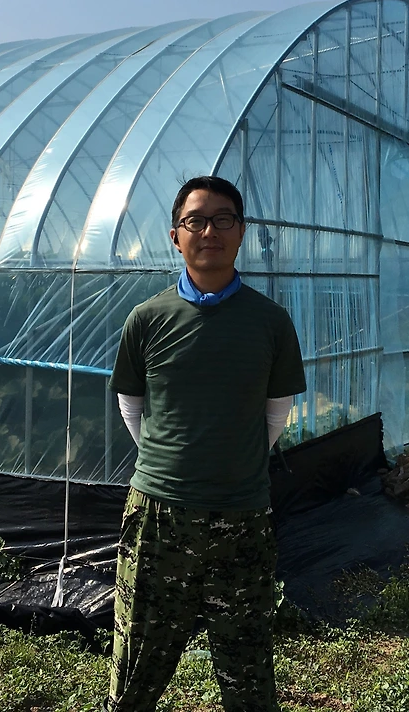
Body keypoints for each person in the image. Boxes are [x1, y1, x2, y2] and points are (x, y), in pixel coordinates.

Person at [106, 175, 306, 712]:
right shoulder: (148, 319)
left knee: (247, 667)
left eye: (223, 219)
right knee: (136, 666)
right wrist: (169, 461)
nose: (209, 231)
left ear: (241, 232)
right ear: (176, 237)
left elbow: (276, 412)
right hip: (159, 516)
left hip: (242, 515)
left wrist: (233, 463)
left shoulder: (270, 322)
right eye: (196, 221)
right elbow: (131, 405)